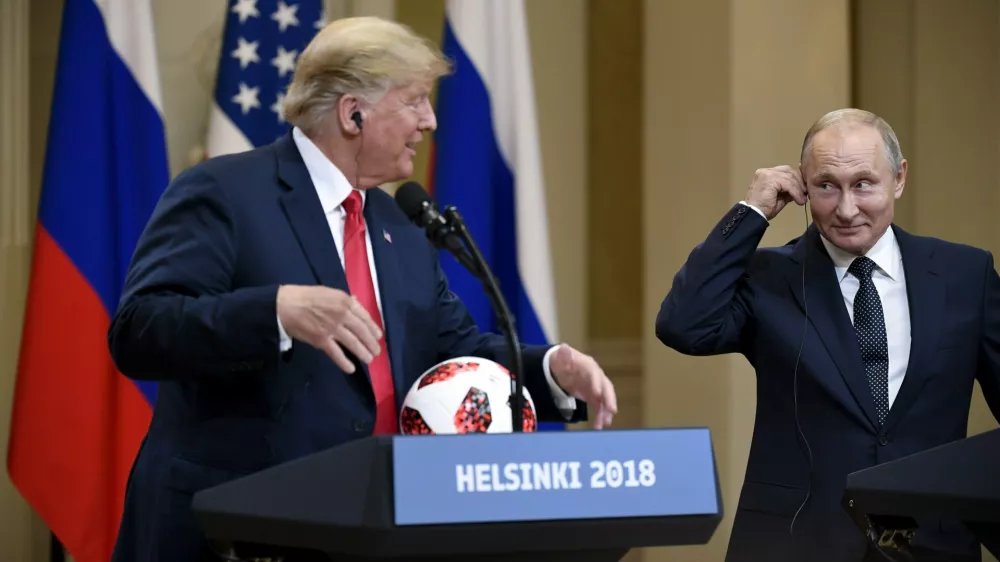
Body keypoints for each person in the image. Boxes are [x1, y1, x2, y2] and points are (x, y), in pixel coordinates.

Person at [108, 16, 618, 562]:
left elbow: (453, 354)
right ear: (354, 112)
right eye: (416, 101)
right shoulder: (224, 192)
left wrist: (550, 369)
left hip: (361, 532)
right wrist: (275, 312)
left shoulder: (399, 223)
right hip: (227, 536)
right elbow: (142, 328)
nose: (430, 122)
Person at [655, 108, 1000, 562]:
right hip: (797, 542)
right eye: (826, 186)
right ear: (802, 185)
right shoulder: (769, 277)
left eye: (863, 184)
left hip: (933, 544)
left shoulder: (964, 274)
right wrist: (752, 211)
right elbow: (683, 325)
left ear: (898, 178)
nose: (846, 208)